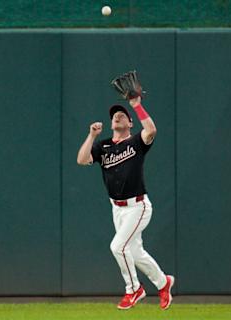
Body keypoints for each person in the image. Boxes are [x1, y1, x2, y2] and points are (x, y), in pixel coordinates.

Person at [76, 96, 174, 310]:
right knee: (135, 252)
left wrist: (136, 106)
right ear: (111, 124)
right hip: (117, 209)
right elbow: (82, 159)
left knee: (117, 246)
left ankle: (134, 289)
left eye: (122, 115)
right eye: (114, 116)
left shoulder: (136, 142)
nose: (117, 117)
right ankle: (163, 282)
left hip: (138, 206)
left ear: (130, 123)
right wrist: (92, 135)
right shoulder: (103, 146)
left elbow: (151, 131)